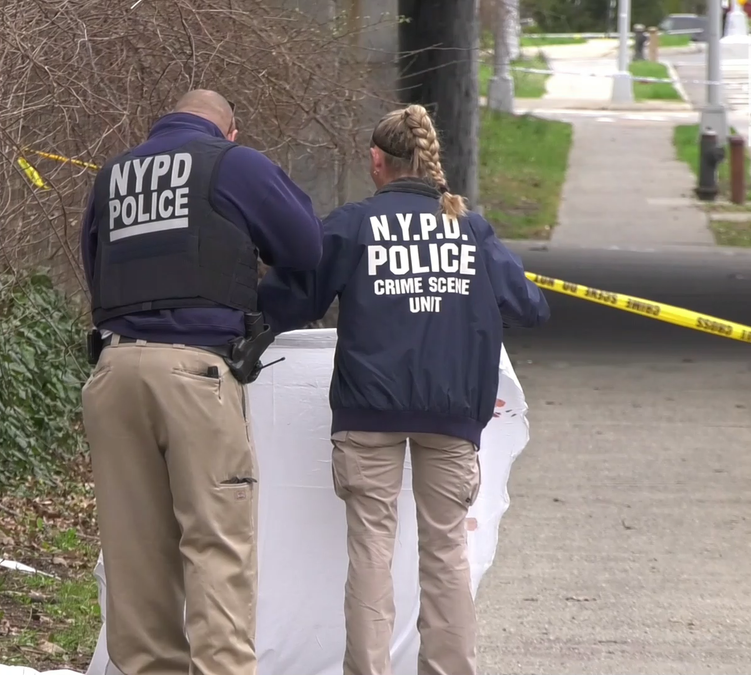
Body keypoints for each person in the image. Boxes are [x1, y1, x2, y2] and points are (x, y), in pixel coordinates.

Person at [257, 104, 550, 675]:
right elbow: (528, 308)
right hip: (452, 413)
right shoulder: (470, 226)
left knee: (370, 549)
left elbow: (295, 303)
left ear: (376, 162)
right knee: (446, 553)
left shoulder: (354, 223)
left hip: (368, 411)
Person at [79, 89, 323, 675]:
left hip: (113, 374)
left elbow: (94, 269)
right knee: (215, 546)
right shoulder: (232, 163)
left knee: (135, 557)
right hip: (195, 374)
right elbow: (306, 246)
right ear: (229, 130)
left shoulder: (115, 174)